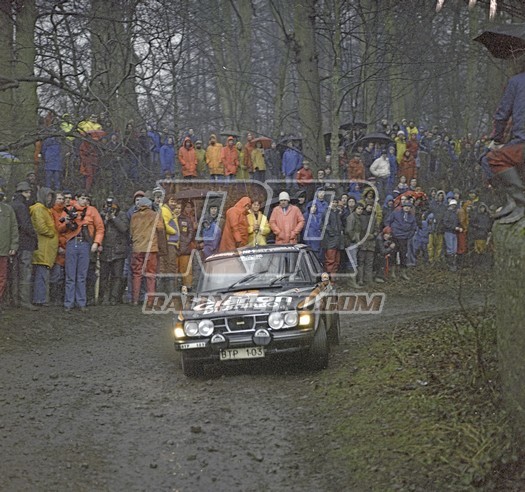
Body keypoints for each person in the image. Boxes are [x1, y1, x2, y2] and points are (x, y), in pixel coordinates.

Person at [484, 52, 525, 223]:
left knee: (493, 159)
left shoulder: (516, 82)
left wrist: (497, 139)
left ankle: (519, 201)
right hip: (519, 142)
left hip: (522, 142)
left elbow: (502, 114)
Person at [62, 191, 105, 312]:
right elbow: (60, 228)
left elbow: (100, 228)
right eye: (82, 198)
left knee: (82, 275)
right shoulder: (68, 210)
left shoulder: (92, 211)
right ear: (77, 198)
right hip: (71, 242)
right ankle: (68, 303)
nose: (84, 201)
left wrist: (96, 242)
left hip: (85, 243)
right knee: (70, 275)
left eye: (86, 198)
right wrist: (67, 221)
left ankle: (81, 302)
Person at [129, 197, 164, 305]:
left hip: (137, 248)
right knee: (150, 275)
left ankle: (135, 299)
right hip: (151, 248)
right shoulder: (155, 215)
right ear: (149, 205)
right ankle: (150, 301)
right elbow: (161, 228)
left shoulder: (134, 216)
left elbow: (131, 232)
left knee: (137, 274)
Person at [11, 181, 38, 310]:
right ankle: (24, 301)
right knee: (25, 272)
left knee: (14, 272)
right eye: (28, 192)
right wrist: (34, 235)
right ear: (23, 192)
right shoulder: (22, 206)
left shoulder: (11, 204)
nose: (29, 195)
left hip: (14, 243)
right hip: (25, 243)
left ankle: (14, 299)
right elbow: (26, 225)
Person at [30, 187, 58, 307]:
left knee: (43, 275)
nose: (49, 199)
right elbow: (40, 227)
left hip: (46, 248)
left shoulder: (46, 209)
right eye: (47, 196)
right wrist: (52, 233)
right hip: (43, 248)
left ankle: (41, 298)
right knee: (41, 275)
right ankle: (40, 299)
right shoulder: (38, 208)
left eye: (51, 196)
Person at [99, 197, 129, 304]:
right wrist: (106, 220)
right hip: (105, 249)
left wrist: (113, 218)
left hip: (118, 250)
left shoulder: (122, 215)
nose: (110, 209)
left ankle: (114, 299)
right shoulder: (101, 215)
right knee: (104, 276)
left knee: (117, 276)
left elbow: (124, 228)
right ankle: (102, 298)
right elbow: (98, 229)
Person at [386, 201, 417, 280]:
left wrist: (409, 236)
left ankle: (403, 273)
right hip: (394, 237)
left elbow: (413, 228)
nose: (407, 208)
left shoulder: (412, 217)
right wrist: (390, 232)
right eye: (405, 206)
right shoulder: (395, 213)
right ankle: (392, 272)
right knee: (393, 254)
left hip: (404, 238)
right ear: (402, 207)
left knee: (403, 255)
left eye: (409, 206)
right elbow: (388, 222)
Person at [0, 187, 19, 314]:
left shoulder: (8, 209)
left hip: (4, 249)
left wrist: (13, 246)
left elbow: (14, 228)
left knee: (2, 278)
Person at [321, 197, 345, 280]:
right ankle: (329, 279)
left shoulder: (338, 213)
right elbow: (324, 225)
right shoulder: (326, 212)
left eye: (336, 202)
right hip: (330, 240)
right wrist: (333, 234)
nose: (334, 204)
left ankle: (333, 277)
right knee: (330, 260)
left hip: (338, 240)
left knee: (337, 261)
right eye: (333, 202)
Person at [442, 199, 462, 272]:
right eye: (452, 205)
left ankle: (454, 264)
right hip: (448, 232)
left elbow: (457, 222)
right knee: (450, 249)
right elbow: (445, 223)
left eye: (454, 205)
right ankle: (450, 264)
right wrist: (454, 227)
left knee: (454, 249)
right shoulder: (447, 213)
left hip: (454, 232)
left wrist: (459, 227)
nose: (453, 206)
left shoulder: (455, 213)